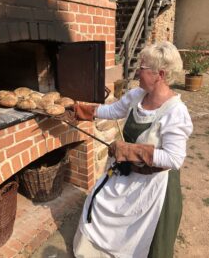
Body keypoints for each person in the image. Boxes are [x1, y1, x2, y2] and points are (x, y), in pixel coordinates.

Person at [72, 41, 193, 258]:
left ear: (160, 74)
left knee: (141, 239)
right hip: (127, 175)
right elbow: (114, 110)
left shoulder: (175, 112)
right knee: (97, 202)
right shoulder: (137, 95)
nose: (138, 71)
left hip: (153, 186)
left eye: (143, 67)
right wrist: (81, 110)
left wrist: (129, 151)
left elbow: (174, 159)